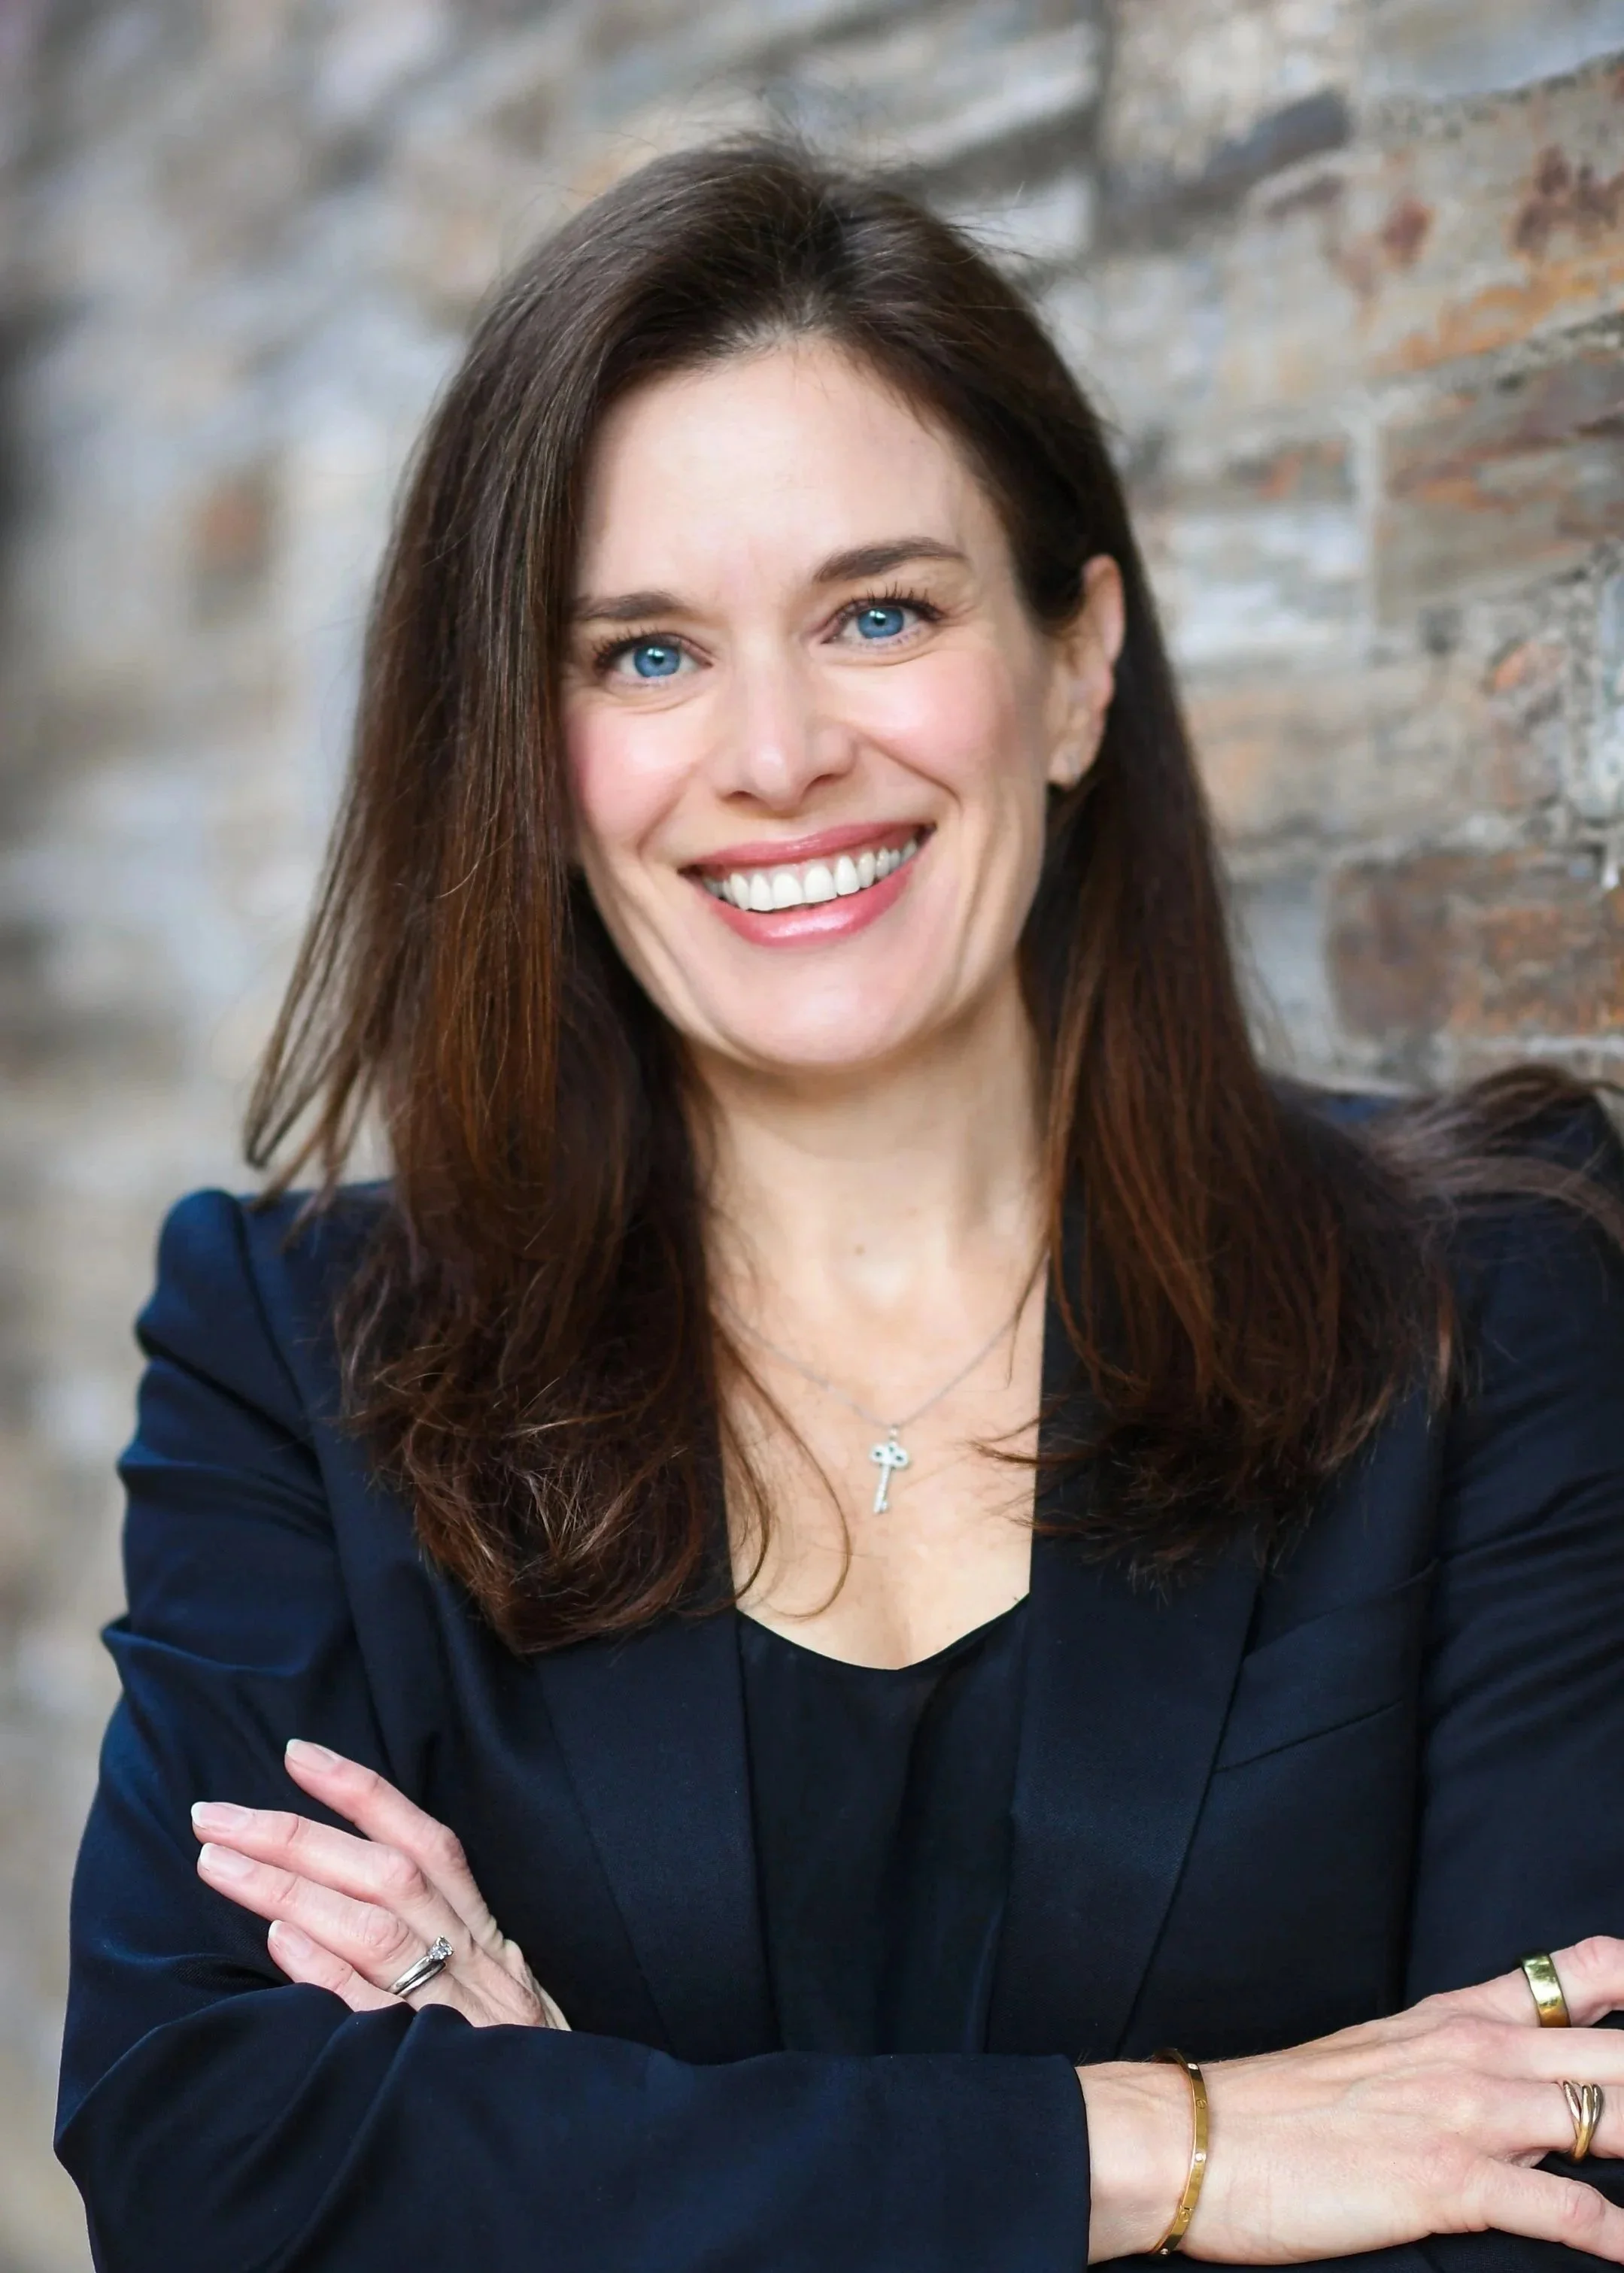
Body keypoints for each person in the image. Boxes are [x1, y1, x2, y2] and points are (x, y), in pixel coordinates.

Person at [55, 138, 1624, 2273]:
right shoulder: (298, 1353)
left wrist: (570, 2127)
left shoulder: (1485, 1304)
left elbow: (1547, 2203)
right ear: (526, 740)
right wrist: (1166, 2149)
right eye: (643, 655)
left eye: (877, 611)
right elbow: (213, 2159)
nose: (777, 751)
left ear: (1076, 665)